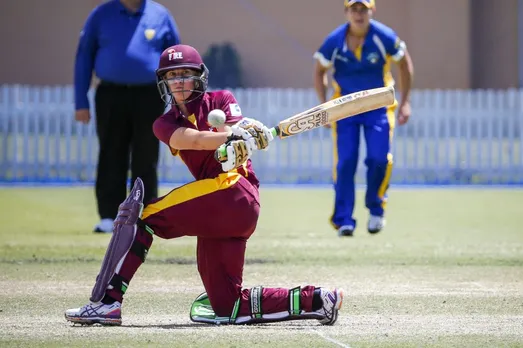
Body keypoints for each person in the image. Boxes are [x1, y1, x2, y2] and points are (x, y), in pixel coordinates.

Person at [65, 44, 344, 326]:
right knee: (228, 307)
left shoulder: (222, 99)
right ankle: (319, 300)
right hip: (220, 209)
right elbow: (195, 140)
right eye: (172, 76)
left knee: (141, 217)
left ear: (200, 76)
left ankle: (107, 302)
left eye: (186, 74)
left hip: (234, 191)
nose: (179, 82)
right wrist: (231, 136)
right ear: (164, 83)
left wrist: (242, 133)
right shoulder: (164, 123)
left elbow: (233, 132)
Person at [74, 0, 181, 233]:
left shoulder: (160, 15)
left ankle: (144, 215)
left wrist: (179, 101)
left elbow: (176, 58)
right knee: (111, 153)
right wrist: (81, 101)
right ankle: (109, 216)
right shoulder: (101, 15)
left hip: (150, 95)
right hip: (110, 93)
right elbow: (84, 56)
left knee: (147, 155)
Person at [313, 0, 414, 237]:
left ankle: (376, 207)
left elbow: (405, 64)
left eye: (363, 9)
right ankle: (344, 220)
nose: (359, 15)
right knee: (346, 162)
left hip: (379, 106)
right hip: (344, 109)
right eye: (354, 9)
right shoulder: (335, 40)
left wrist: (406, 101)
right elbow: (319, 71)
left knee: (379, 158)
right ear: (346, 12)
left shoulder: (384, 36)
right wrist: (324, 106)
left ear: (372, 11)